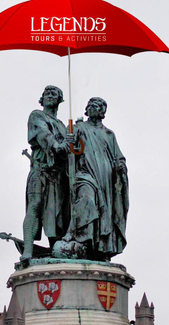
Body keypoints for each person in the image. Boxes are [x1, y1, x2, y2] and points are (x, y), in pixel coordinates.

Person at [61, 97, 128, 260]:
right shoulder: (80, 127)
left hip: (106, 178)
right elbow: (69, 140)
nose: (92, 108)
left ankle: (100, 247)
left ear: (103, 111)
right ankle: (81, 238)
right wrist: (68, 138)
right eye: (90, 105)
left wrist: (120, 166)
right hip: (85, 173)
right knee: (87, 198)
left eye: (96, 106)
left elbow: (119, 157)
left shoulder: (109, 134)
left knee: (106, 212)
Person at [21, 85, 71, 260]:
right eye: (47, 94)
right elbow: (43, 135)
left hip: (58, 175)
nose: (50, 96)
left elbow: (69, 152)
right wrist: (58, 146)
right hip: (40, 169)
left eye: (54, 94)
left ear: (59, 100)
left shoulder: (63, 127)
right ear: (42, 99)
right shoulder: (37, 115)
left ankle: (55, 249)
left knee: (56, 215)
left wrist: (72, 141)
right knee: (35, 206)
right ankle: (27, 250)